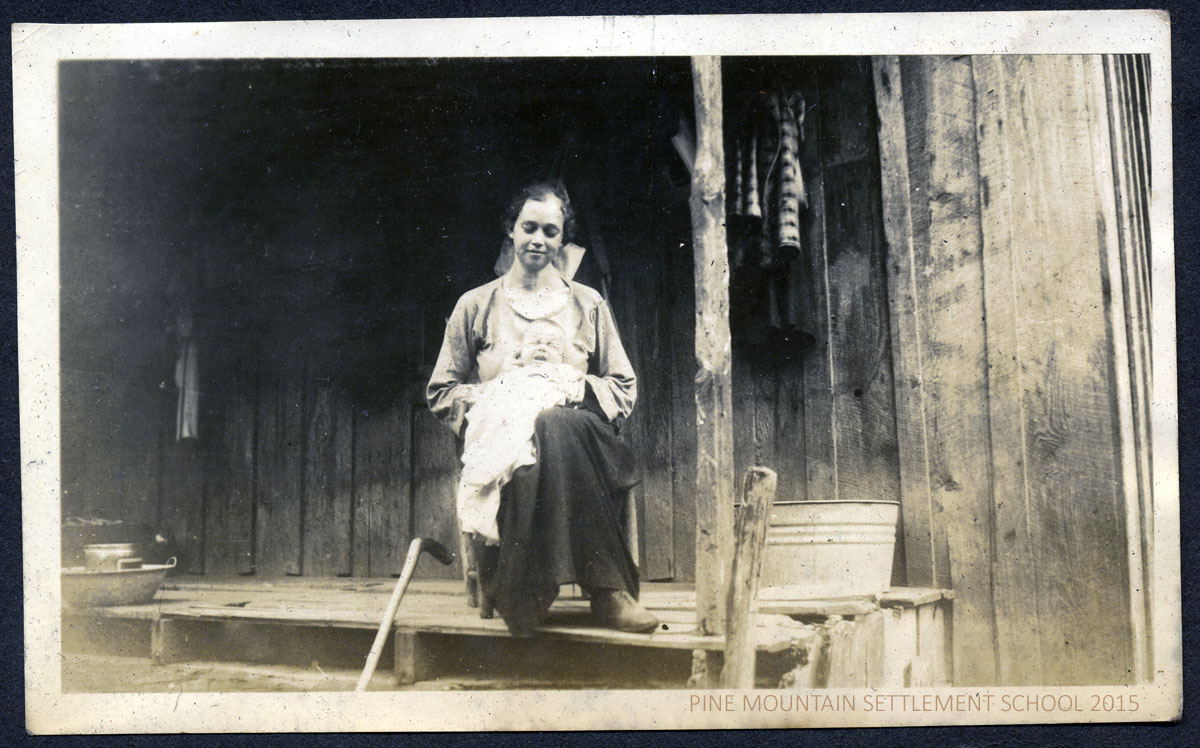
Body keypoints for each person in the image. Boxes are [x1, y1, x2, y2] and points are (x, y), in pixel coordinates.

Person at [427, 181, 658, 636]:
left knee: (555, 424)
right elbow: (442, 391)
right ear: (510, 230)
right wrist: (499, 393)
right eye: (529, 227)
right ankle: (608, 593)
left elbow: (623, 387)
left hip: (584, 437)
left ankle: (526, 593)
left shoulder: (588, 303)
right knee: (535, 443)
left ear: (562, 238)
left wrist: (567, 385)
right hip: (504, 439)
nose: (538, 239)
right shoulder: (475, 305)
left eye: (550, 231)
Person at [455, 318, 583, 545]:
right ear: (520, 351)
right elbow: (489, 400)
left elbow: (574, 392)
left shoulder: (562, 373)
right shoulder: (511, 376)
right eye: (534, 343)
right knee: (494, 465)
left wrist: (566, 389)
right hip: (506, 432)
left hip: (538, 437)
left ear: (562, 355)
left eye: (552, 345)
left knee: (525, 464)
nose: (542, 348)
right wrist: (478, 395)